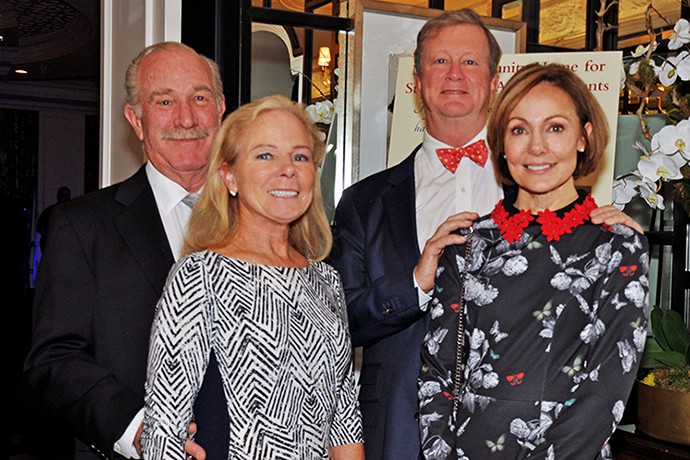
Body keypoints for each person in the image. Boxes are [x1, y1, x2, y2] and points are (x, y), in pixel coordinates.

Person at [328, 9, 644, 460]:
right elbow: (337, 325)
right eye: (439, 62)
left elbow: (604, 369)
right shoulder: (364, 202)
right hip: (399, 432)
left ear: (495, 80)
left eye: (471, 62)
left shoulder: (551, 187)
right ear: (415, 81)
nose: (454, 74)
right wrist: (416, 282)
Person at [418, 63, 649, 459]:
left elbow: (606, 389)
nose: (537, 147)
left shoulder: (618, 245)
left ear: (584, 136)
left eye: (556, 127)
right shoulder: (466, 243)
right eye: (519, 130)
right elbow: (435, 376)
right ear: (502, 145)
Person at [24, 41, 225, 460]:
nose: (187, 118)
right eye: (165, 101)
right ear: (136, 119)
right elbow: (54, 359)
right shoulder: (82, 227)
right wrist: (137, 428)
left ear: (221, 108)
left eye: (200, 98)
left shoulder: (266, 222)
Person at [141, 95, 364, 459]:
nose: (287, 169)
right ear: (229, 176)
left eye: (300, 156)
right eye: (265, 155)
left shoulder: (325, 279)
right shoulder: (200, 274)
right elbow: (164, 428)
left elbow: (343, 419)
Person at [36, 185, 72, 253]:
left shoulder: (73, 212)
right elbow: (40, 227)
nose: (65, 198)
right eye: (63, 195)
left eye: (67, 195)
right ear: (58, 196)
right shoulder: (50, 211)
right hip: (51, 245)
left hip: (67, 246)